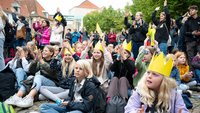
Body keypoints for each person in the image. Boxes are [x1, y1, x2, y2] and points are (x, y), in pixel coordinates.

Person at [125, 52, 189, 113]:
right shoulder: (139, 92)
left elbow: (182, 110)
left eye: (155, 74)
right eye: (148, 73)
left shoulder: (174, 95)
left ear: (164, 80)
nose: (149, 76)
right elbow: (129, 109)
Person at [0, 6, 7, 71]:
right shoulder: (3, 15)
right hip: (1, 37)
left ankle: (2, 71)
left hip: (0, 37)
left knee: (0, 56)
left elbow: (1, 27)